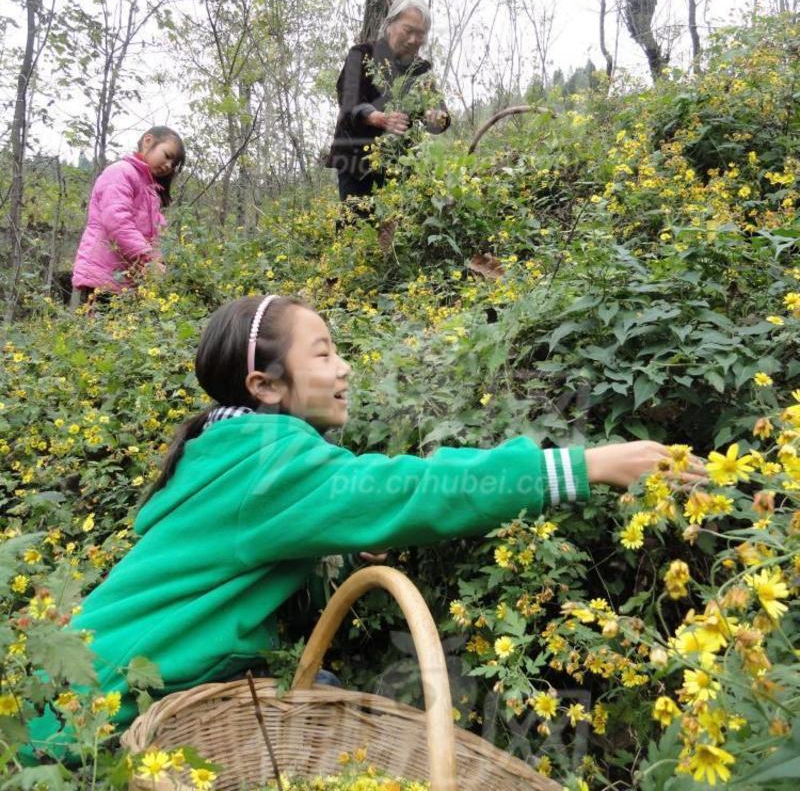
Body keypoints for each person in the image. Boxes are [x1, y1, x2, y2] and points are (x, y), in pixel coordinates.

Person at [28, 295, 706, 755]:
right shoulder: (268, 461)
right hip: (90, 718)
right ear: (265, 385)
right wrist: (579, 467)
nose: (344, 366)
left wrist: (342, 546)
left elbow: (243, 576)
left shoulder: (228, 453)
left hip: (70, 694)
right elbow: (413, 487)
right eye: (322, 354)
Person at [327, 0, 450, 206]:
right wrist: (377, 118)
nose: (413, 39)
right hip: (356, 162)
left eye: (420, 34)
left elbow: (441, 115)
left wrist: (437, 117)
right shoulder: (361, 54)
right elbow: (349, 102)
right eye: (408, 30)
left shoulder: (421, 71)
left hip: (399, 164)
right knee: (355, 228)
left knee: (395, 230)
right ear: (390, 25)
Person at [70, 126, 185, 306]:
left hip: (127, 281)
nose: (169, 166)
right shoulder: (121, 172)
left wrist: (160, 262)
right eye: (168, 155)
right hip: (102, 277)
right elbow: (118, 221)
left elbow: (157, 235)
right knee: (98, 333)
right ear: (148, 141)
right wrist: (147, 258)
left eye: (174, 164)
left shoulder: (151, 190)